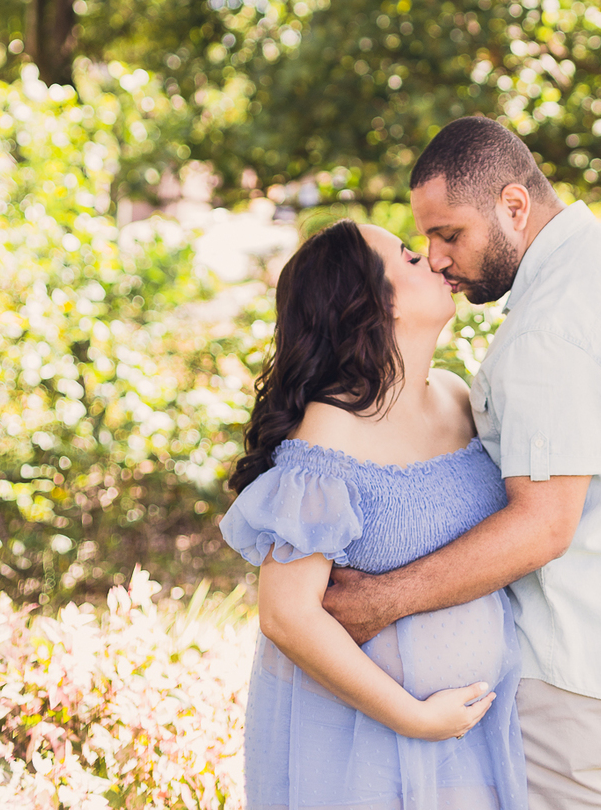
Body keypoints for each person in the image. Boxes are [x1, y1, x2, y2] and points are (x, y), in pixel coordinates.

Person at [324, 118, 601, 810]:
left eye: (450, 235)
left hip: (582, 676)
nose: (438, 258)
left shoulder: (552, 324)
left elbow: (543, 526)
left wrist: (383, 601)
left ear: (514, 205)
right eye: (427, 241)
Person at [220, 217, 529, 810]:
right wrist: (413, 717)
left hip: (473, 734)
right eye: (411, 259)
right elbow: (286, 615)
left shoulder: (457, 395)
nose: (437, 260)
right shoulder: (330, 432)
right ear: (374, 305)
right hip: (367, 742)